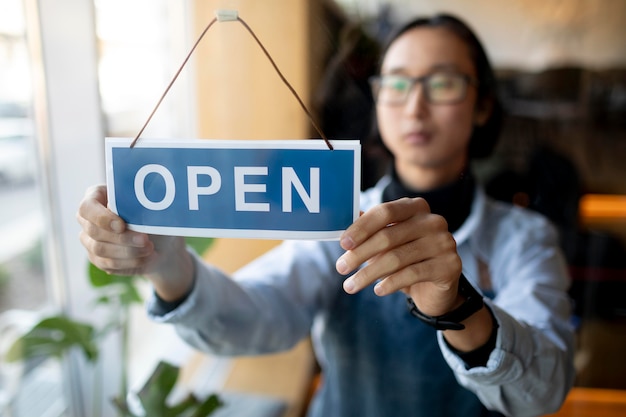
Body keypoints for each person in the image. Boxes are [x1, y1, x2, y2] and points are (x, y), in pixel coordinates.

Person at [77, 13, 575, 417]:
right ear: (377, 97)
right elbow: (258, 313)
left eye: (442, 84)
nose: (415, 106)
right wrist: (166, 264)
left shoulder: (526, 239)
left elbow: (545, 391)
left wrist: (457, 306)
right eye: (396, 84)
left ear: (483, 104)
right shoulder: (338, 214)